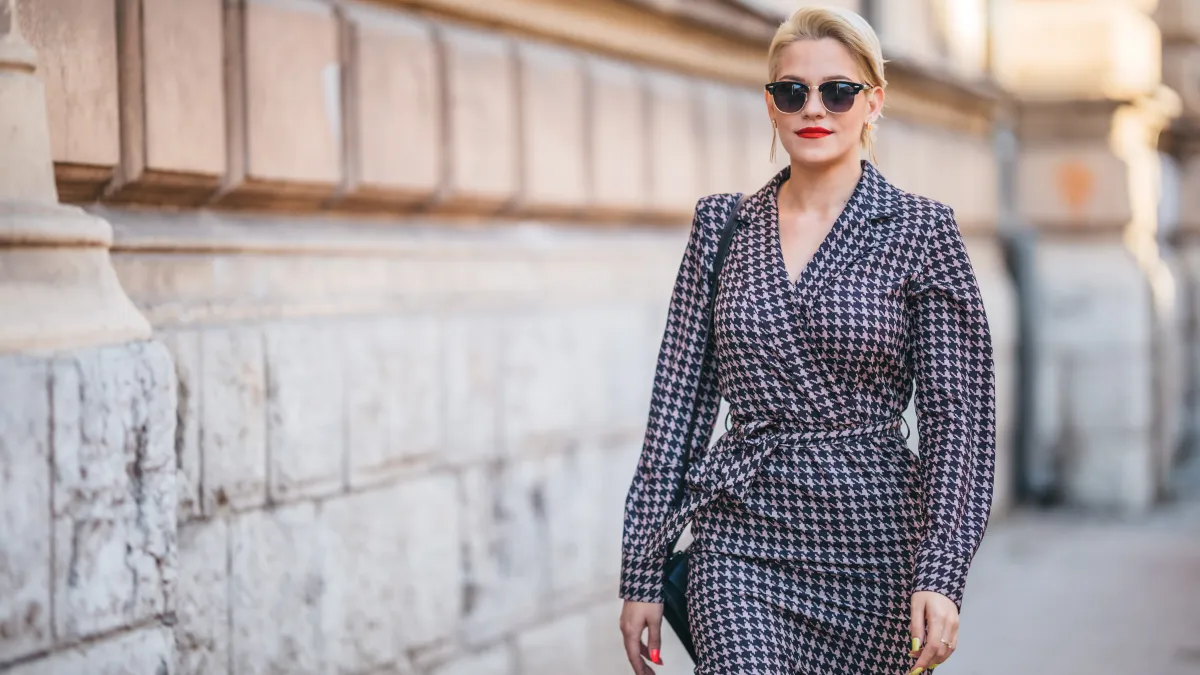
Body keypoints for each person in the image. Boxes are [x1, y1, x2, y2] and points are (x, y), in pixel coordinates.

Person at [617, 6, 996, 675]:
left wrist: (941, 570)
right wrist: (644, 567)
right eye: (791, 91)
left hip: (873, 549)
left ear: (873, 101)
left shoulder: (920, 231)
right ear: (770, 105)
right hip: (741, 540)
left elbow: (957, 420)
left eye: (837, 91)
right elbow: (677, 405)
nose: (813, 108)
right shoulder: (723, 227)